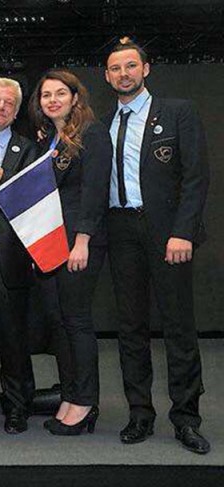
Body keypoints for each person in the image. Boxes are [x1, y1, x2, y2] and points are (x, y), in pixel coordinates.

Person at [103, 38, 210, 454]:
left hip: (168, 233)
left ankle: (186, 419)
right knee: (130, 327)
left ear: (146, 69)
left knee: (178, 326)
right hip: (120, 230)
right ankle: (139, 414)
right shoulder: (103, 124)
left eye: (131, 65)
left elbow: (196, 177)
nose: (124, 74)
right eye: (116, 68)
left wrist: (183, 231)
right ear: (107, 75)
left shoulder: (178, 112)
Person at [28, 69, 111, 437]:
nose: (53, 100)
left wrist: (83, 241)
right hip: (52, 242)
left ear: (75, 97)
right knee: (59, 321)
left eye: (60, 93)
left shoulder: (92, 134)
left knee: (76, 320)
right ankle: (71, 394)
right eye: (46, 95)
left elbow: (94, 191)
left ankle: (85, 402)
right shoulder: (50, 138)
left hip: (79, 242)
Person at [0, 77, 39, 434]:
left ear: (16, 112)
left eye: (8, 103)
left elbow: (34, 199)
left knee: (13, 338)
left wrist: (3, 181)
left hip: (10, 257)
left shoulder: (29, 149)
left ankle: (17, 405)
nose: (0, 107)